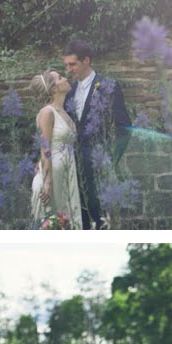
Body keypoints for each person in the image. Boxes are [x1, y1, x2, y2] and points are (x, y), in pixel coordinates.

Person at [62, 47, 132, 229]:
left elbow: (124, 128)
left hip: (98, 166)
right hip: (73, 168)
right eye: (66, 65)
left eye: (72, 64)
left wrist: (111, 158)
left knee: (100, 219)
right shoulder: (69, 91)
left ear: (86, 60)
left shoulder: (108, 86)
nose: (68, 69)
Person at [29, 68, 82, 230]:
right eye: (60, 78)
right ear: (53, 89)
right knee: (51, 223)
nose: (65, 78)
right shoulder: (47, 112)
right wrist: (47, 181)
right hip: (53, 173)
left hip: (67, 170)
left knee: (66, 223)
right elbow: (44, 147)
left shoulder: (65, 113)